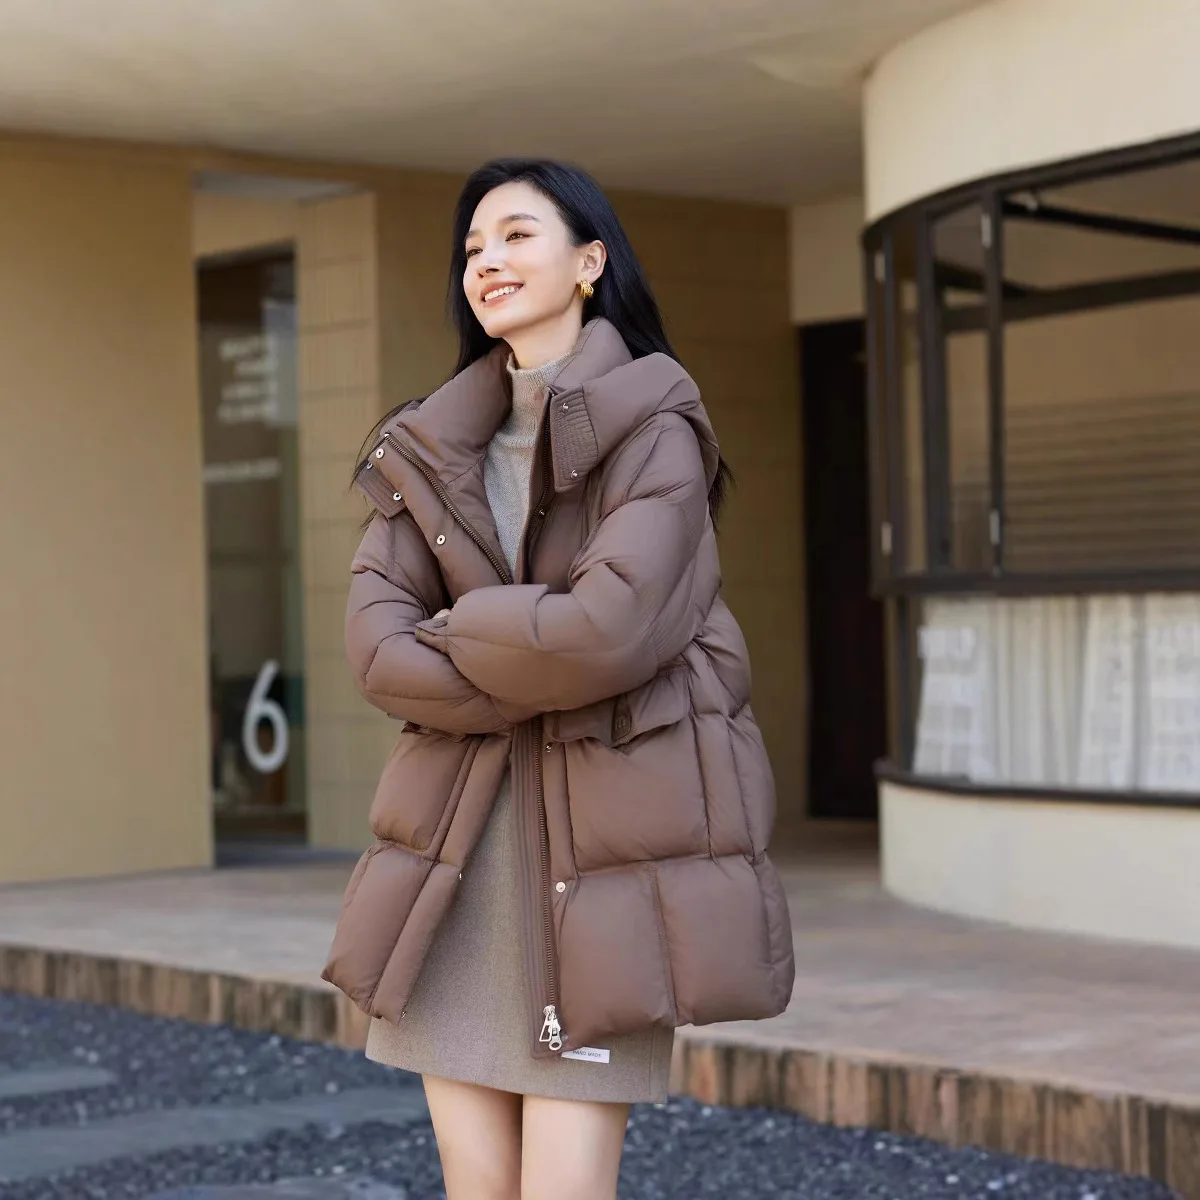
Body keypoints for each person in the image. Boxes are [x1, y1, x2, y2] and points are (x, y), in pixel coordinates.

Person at [323, 158, 795, 1200]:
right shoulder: (431, 445)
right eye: (472, 248)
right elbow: (373, 648)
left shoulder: (655, 424)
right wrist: (539, 656)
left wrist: (466, 631)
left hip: (603, 869)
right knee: (473, 1181)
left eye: (514, 235)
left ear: (589, 262)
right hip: (454, 866)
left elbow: (608, 632)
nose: (485, 261)